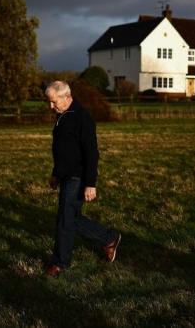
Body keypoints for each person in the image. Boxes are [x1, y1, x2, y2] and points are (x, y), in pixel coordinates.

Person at [44, 80, 121, 277]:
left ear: (67, 97)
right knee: (71, 218)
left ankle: (60, 262)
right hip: (66, 175)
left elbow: (91, 153)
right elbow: (63, 151)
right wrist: (56, 174)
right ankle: (108, 238)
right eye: (49, 102)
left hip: (78, 176)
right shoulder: (63, 115)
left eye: (53, 102)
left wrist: (90, 184)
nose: (50, 106)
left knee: (65, 219)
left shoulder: (82, 117)